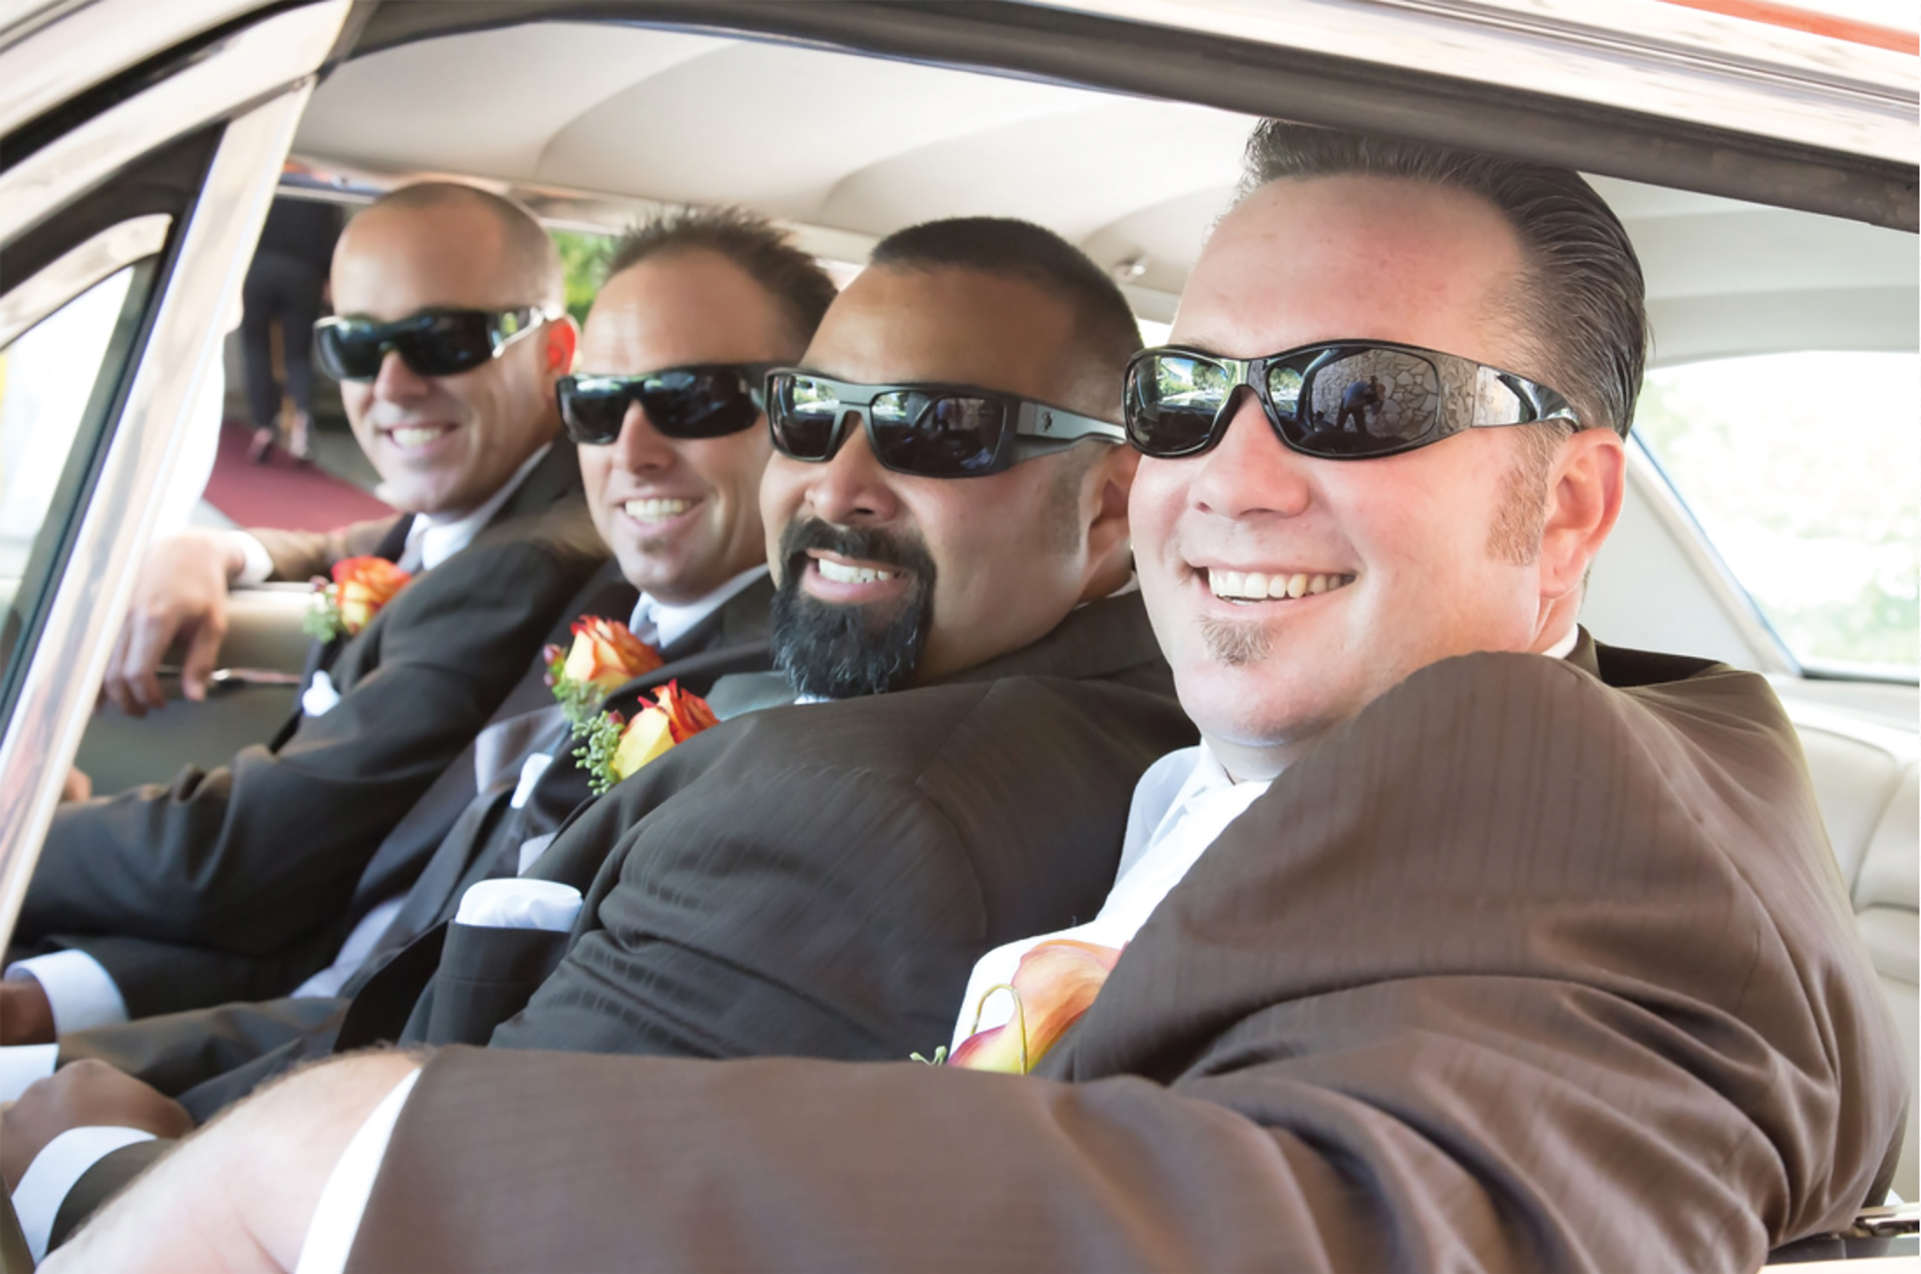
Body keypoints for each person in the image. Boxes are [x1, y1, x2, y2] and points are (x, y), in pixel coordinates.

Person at [34, 127, 1906, 1272]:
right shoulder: (1266, 769)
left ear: (1565, 506)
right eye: (1193, 393)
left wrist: (330, 1169)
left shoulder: (1590, 812)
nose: (1229, 478)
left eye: (1356, 399)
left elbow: (1413, 1222)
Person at [3, 216, 1194, 1252]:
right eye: (811, 412)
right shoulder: (985, 694)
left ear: (1107, 504)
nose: (838, 484)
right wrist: (230, 545)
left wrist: (77, 1159)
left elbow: (452, 1215)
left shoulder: (863, 814)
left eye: (939, 429)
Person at [0, 183, 606, 1047]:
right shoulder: (498, 507)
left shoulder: (523, 562)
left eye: (443, 340)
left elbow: (233, 862)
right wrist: (230, 550)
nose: (392, 384)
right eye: (356, 344)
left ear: (553, 351)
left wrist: (18, 830)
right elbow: (377, 543)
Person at [240, 196, 345, 463]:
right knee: (299, 355)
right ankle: (301, 424)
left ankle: (263, 428)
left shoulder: (267, 187)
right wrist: (328, 278)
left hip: (258, 270)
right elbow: (332, 239)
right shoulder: (320, 195)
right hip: (303, 275)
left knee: (256, 350)